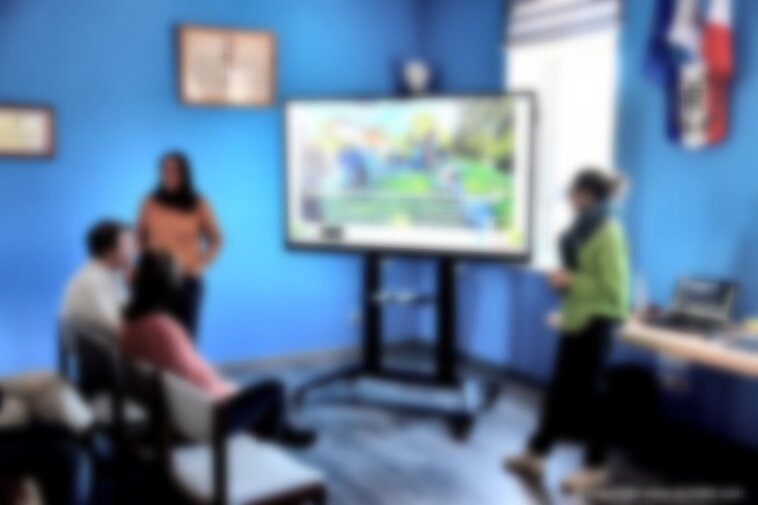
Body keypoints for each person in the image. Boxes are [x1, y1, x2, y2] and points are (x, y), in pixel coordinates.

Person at [505, 169, 630, 494]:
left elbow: (616, 291)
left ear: (587, 195)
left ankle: (596, 468)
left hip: (597, 321)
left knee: (592, 396)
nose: (568, 198)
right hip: (576, 317)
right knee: (560, 393)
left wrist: (570, 279)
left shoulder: (608, 231)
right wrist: (562, 280)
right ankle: (534, 455)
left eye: (572, 192)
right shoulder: (583, 228)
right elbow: (581, 274)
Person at [119, 251, 315, 447]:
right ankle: (271, 441)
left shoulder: (129, 325)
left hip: (175, 414)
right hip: (202, 421)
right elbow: (190, 379)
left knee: (246, 394)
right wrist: (225, 392)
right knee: (276, 389)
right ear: (168, 286)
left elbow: (185, 373)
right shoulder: (162, 327)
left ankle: (282, 429)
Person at [137, 152, 222, 341]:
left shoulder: (198, 203)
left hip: (187, 280)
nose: (169, 174)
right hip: (156, 282)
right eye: (164, 170)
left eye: (174, 170)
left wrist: (201, 262)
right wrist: (147, 264)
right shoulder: (150, 202)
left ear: (185, 173)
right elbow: (139, 237)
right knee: (159, 339)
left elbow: (216, 239)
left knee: (185, 340)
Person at [61, 220, 134, 336]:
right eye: (128, 245)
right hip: (104, 344)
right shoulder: (92, 281)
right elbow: (118, 326)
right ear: (108, 251)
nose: (133, 251)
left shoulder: (107, 275)